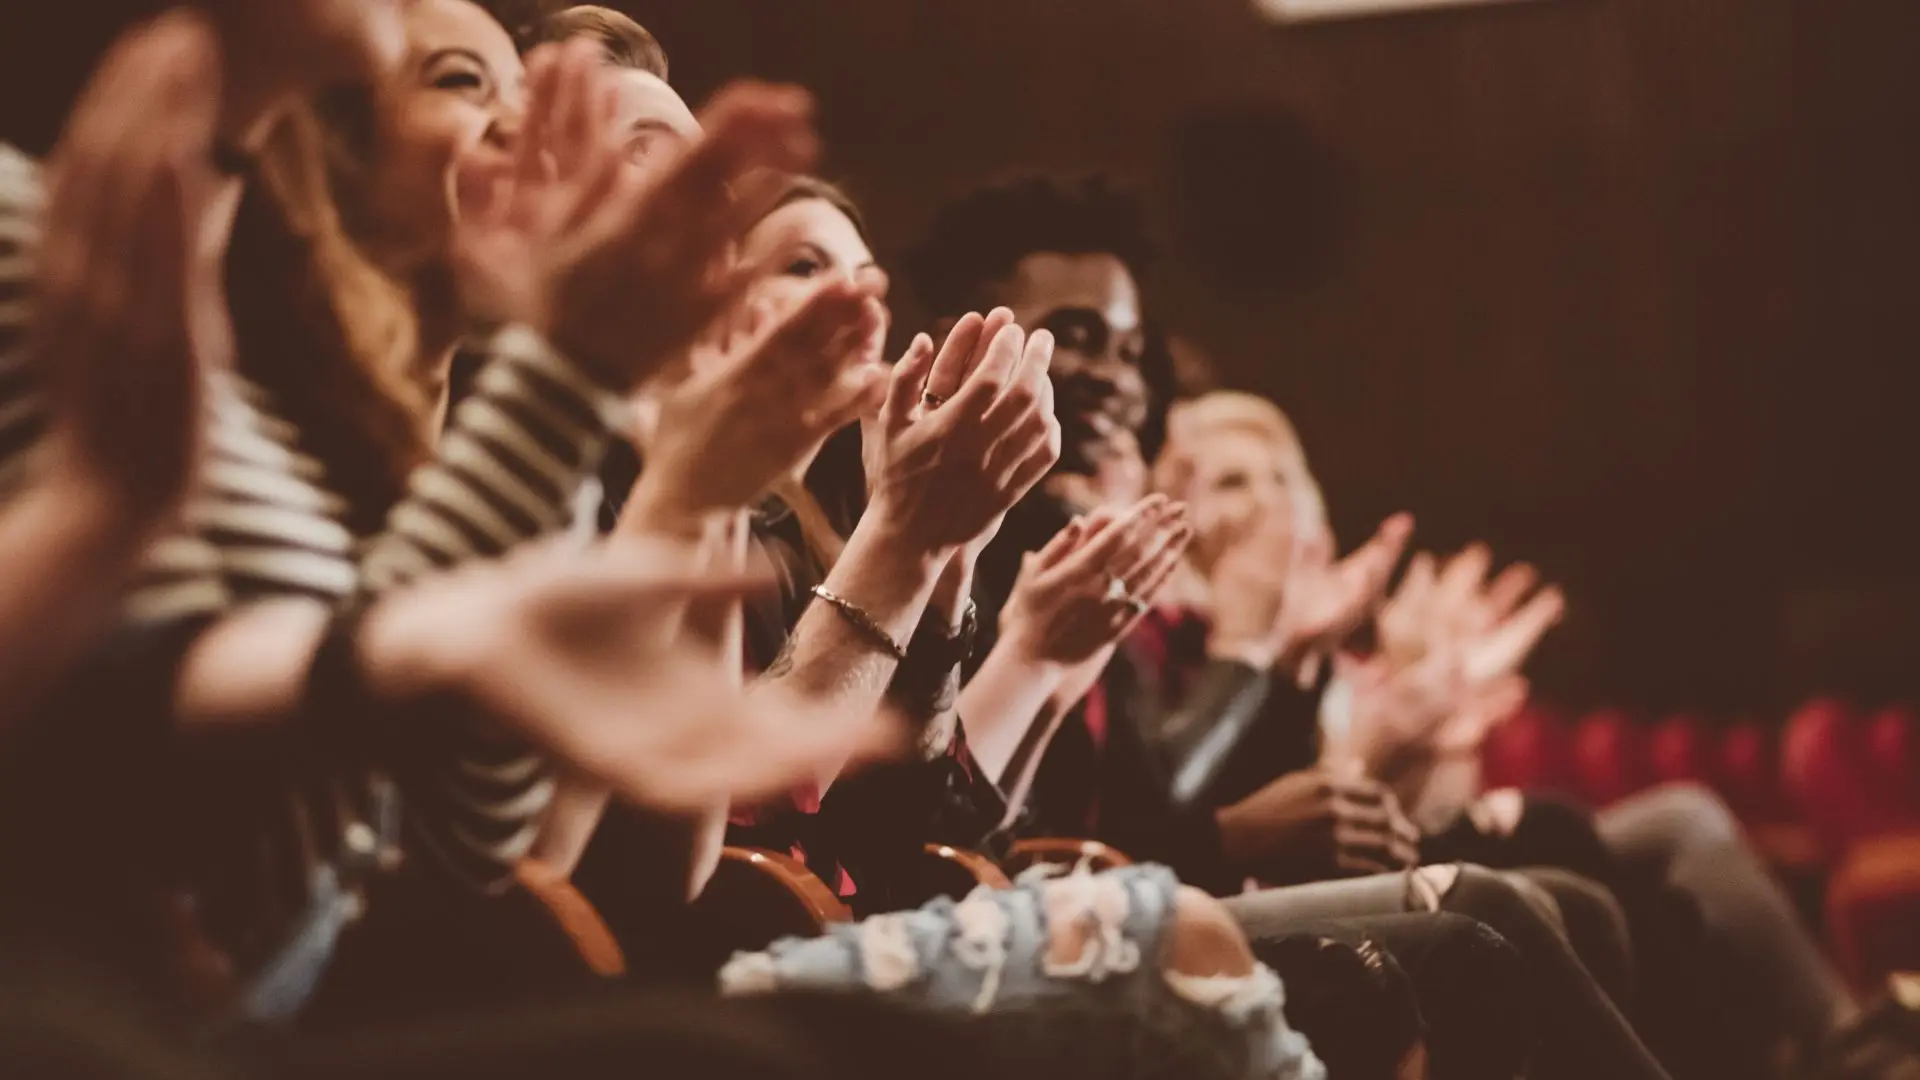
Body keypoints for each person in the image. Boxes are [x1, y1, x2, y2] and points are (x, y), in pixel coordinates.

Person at [0, 0, 893, 1029]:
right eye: (466, 84)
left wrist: (615, 421)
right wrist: (577, 386)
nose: (533, 139)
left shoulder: (343, 433)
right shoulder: (94, 270)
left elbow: (467, 826)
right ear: (331, 158)